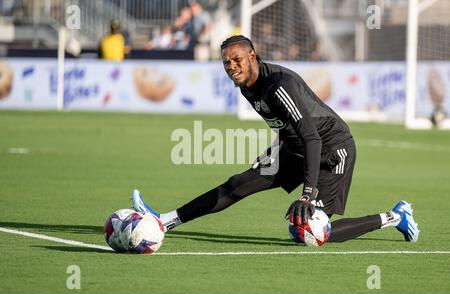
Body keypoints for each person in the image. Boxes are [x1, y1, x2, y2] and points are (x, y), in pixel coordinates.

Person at [130, 35, 419, 243]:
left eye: (237, 60)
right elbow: (285, 124)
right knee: (238, 184)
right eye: (226, 62)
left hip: (333, 150)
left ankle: (395, 216)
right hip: (296, 147)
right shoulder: (247, 85)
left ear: (252, 57)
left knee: (313, 232)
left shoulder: (279, 86)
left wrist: (309, 193)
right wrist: (276, 148)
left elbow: (312, 137)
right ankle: (164, 221)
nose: (231, 66)